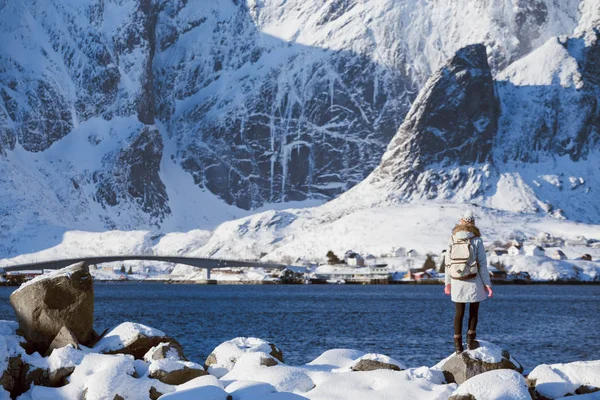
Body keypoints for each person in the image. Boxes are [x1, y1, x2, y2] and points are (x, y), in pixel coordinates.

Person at [444, 210, 493, 354]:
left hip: (456, 281)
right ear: (473, 224)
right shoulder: (477, 240)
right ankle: (471, 343)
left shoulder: (452, 239)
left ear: (461, 222)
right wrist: (487, 284)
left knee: (458, 313)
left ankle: (458, 346)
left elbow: (447, 263)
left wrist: (447, 283)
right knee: (473, 312)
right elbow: (482, 265)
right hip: (474, 280)